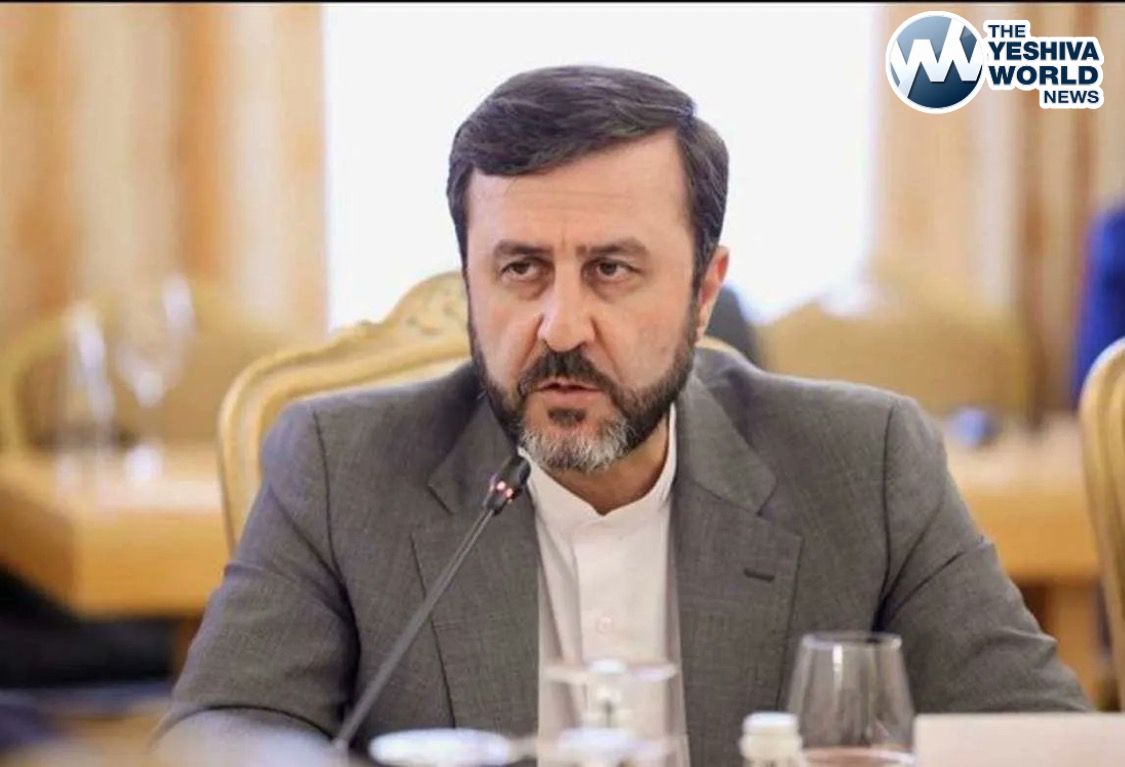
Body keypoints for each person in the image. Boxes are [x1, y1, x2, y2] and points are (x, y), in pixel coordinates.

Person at [158, 65, 1088, 765]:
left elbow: (1042, 738)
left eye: (611, 269)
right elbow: (222, 733)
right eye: (520, 268)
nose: (561, 325)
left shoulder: (865, 460)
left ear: (702, 291)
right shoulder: (341, 463)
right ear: (471, 281)